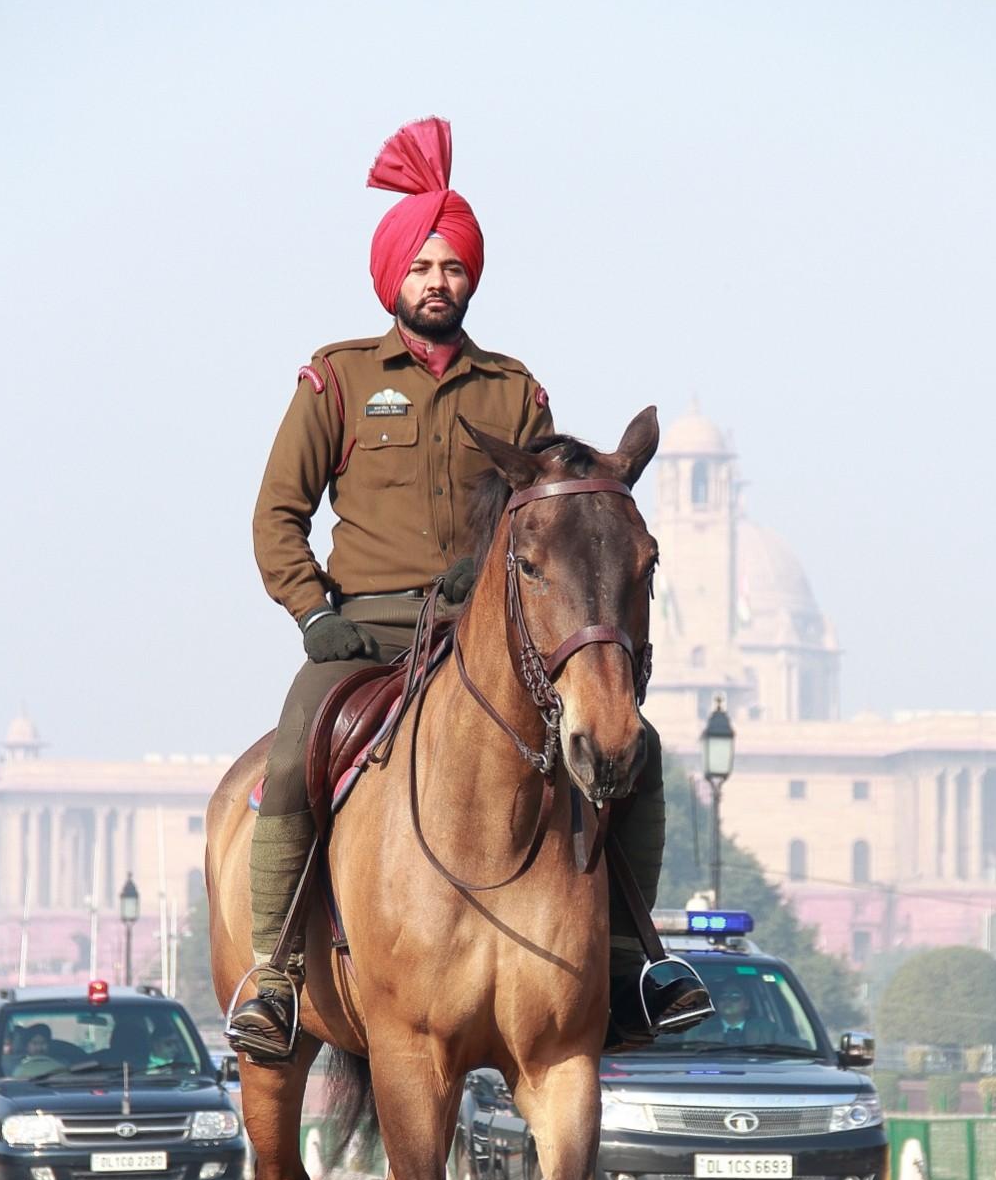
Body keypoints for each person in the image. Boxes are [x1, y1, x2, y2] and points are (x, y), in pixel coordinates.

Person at [229, 117, 705, 1063]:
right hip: (362, 634)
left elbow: (553, 524)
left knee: (631, 752)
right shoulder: (340, 379)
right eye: (422, 267)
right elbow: (276, 515)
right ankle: (276, 974)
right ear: (393, 277)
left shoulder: (514, 391)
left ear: (469, 277)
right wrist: (315, 613)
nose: (437, 282)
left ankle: (624, 963)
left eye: (451, 266)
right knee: (292, 761)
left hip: (487, 630)